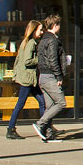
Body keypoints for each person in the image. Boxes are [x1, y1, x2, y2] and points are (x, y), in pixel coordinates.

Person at [6, 20, 45, 139]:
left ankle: (45, 126)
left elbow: (19, 60)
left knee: (42, 101)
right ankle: (11, 128)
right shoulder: (31, 43)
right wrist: (40, 59)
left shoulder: (25, 42)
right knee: (21, 103)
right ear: (34, 30)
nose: (42, 32)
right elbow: (27, 61)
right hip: (28, 79)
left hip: (28, 78)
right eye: (40, 30)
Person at [33, 14, 66, 142]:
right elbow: (53, 59)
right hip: (50, 76)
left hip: (42, 76)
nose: (60, 27)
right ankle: (40, 124)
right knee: (61, 103)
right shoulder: (52, 40)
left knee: (50, 106)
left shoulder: (43, 40)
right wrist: (59, 75)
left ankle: (47, 133)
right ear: (55, 25)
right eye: (59, 24)